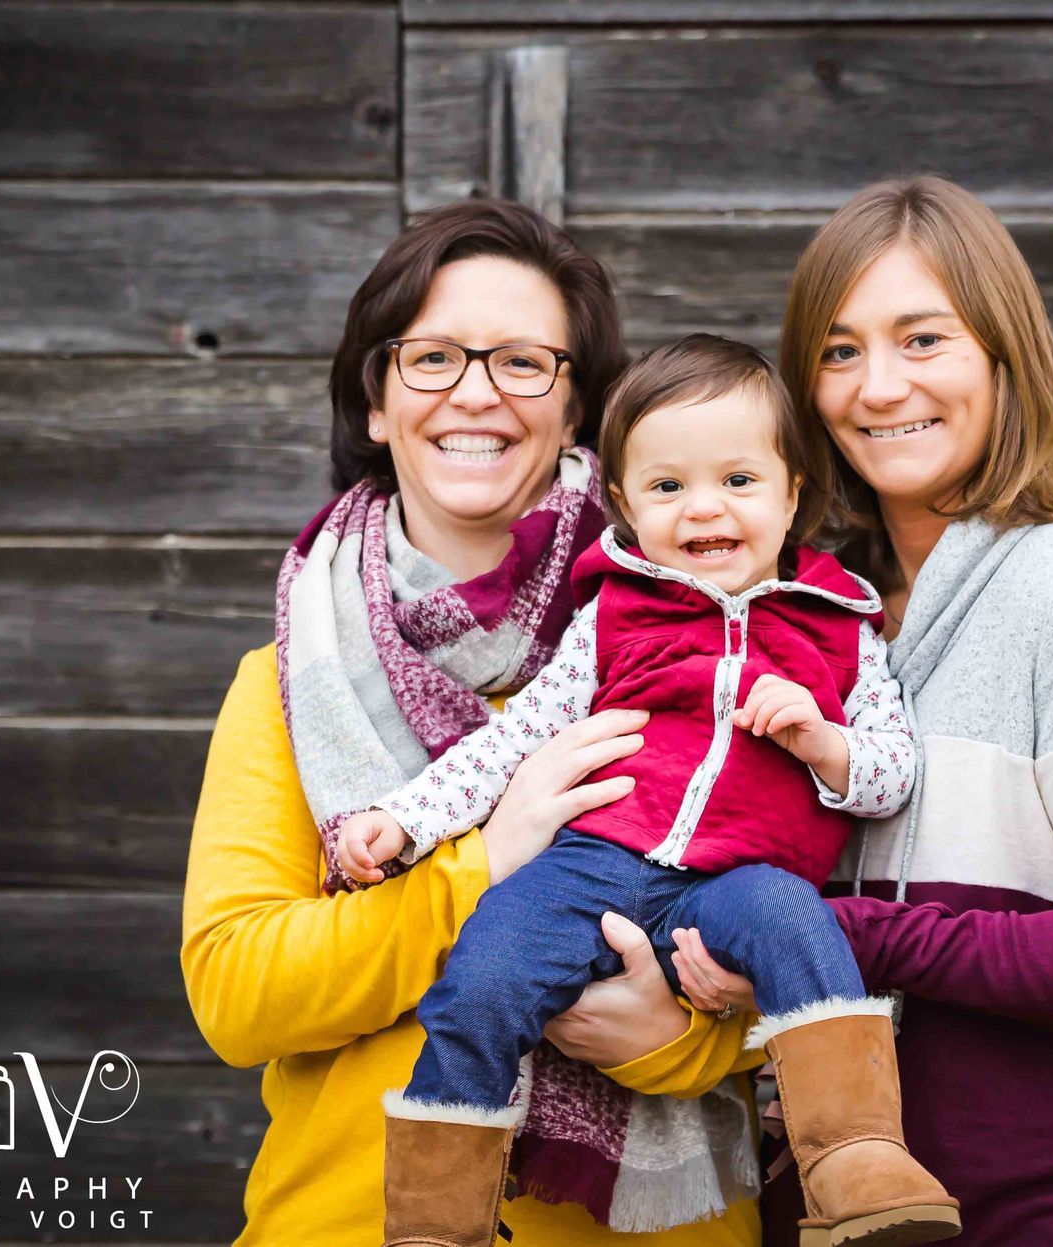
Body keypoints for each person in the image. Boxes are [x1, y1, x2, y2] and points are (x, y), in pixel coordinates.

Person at [181, 200, 767, 1246]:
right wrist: (485, 863)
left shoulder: (725, 649)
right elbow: (239, 992)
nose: (476, 394)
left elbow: (811, 964)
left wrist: (680, 1041)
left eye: (523, 363)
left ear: (581, 407)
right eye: (433, 357)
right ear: (376, 399)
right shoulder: (281, 684)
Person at [678, 175, 1053, 1245]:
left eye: (922, 339)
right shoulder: (826, 616)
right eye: (839, 352)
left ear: (1002, 353)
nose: (879, 387)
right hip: (846, 1210)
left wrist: (837, 935)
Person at [338, 335, 960, 1247]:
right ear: (628, 509)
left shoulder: (838, 627)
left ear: (793, 492)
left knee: (802, 926)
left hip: (738, 880)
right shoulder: (614, 615)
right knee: (486, 965)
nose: (704, 506)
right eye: (668, 488)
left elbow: (893, 772)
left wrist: (825, 742)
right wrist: (405, 816)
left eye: (739, 481)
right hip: (592, 864)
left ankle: (856, 1160)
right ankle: (438, 1216)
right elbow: (517, 736)